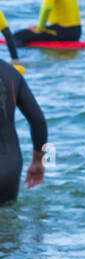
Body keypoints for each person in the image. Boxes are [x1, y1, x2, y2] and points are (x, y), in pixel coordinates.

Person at [0, 56, 44, 202]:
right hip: (9, 167)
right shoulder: (11, 72)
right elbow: (38, 121)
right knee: (9, 221)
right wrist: (38, 161)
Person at [14, 0, 80, 45]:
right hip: (75, 32)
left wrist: (40, 29)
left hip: (63, 33)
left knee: (18, 36)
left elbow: (47, 8)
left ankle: (18, 62)